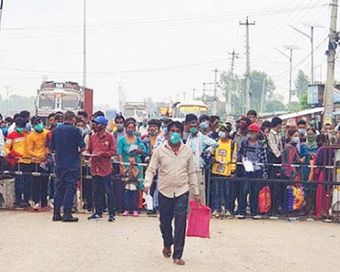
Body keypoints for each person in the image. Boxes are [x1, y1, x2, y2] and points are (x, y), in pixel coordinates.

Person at [144, 121, 201, 266]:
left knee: (181, 223)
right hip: (164, 190)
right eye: (172, 130)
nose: (174, 133)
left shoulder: (187, 151)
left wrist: (196, 192)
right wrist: (147, 184)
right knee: (165, 222)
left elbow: (191, 172)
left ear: (181, 133)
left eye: (177, 131)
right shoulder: (160, 151)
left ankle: (178, 254)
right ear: (167, 133)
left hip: (182, 190)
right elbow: (151, 169)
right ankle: (167, 243)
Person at [50, 111, 86, 222]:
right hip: (72, 164)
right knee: (70, 189)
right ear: (73, 119)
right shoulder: (75, 131)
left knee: (59, 189)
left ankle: (56, 214)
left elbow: (52, 148)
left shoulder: (55, 131)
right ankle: (67, 214)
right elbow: (83, 147)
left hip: (60, 164)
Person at [87, 116, 117, 222]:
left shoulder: (109, 137)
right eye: (94, 123)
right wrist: (88, 155)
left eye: (97, 123)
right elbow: (89, 150)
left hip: (105, 168)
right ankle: (98, 212)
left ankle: (111, 213)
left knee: (109, 191)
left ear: (103, 125)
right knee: (96, 191)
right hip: (95, 168)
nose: (95, 125)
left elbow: (113, 151)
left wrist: (103, 154)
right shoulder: (93, 137)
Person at [186, 114, 218, 205]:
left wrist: (206, 151)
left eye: (194, 126)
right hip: (189, 168)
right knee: (190, 192)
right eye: (191, 126)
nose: (193, 128)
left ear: (198, 127)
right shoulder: (189, 138)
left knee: (199, 192)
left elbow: (215, 144)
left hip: (198, 168)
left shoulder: (202, 137)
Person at [117, 118, 147, 216]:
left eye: (132, 128)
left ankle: (136, 208)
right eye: (129, 127)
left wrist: (139, 151)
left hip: (136, 165)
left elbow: (144, 150)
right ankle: (126, 208)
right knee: (126, 187)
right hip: (126, 164)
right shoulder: (121, 140)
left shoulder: (138, 139)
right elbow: (120, 153)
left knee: (137, 186)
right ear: (125, 128)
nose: (131, 129)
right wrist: (121, 164)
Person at [238, 123, 268, 218]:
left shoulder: (261, 145)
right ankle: (242, 211)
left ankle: (254, 212)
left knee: (255, 192)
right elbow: (241, 154)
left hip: (257, 170)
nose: (252, 134)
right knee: (244, 191)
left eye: (254, 132)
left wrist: (264, 171)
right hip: (247, 170)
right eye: (250, 132)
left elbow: (264, 159)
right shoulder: (244, 143)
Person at [4, 117, 32, 208]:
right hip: (17, 161)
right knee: (18, 182)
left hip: (27, 160)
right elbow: (6, 148)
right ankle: (18, 200)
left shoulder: (28, 134)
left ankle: (26, 200)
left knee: (27, 181)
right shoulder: (11, 135)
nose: (21, 128)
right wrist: (13, 154)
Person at [211, 124, 235, 217]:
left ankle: (227, 209)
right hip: (216, 170)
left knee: (227, 192)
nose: (221, 132)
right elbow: (212, 153)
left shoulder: (232, 144)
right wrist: (213, 158)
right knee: (216, 191)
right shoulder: (216, 142)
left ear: (228, 132)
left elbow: (234, 157)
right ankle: (216, 209)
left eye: (224, 130)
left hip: (227, 171)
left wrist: (233, 170)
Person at [26, 116, 50, 211]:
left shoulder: (47, 133)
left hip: (46, 162)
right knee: (36, 183)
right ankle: (36, 202)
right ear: (33, 125)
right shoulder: (31, 136)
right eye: (36, 123)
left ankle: (44, 203)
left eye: (39, 122)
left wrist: (46, 157)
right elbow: (29, 150)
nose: (38, 125)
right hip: (35, 162)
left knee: (45, 182)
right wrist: (38, 155)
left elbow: (50, 146)